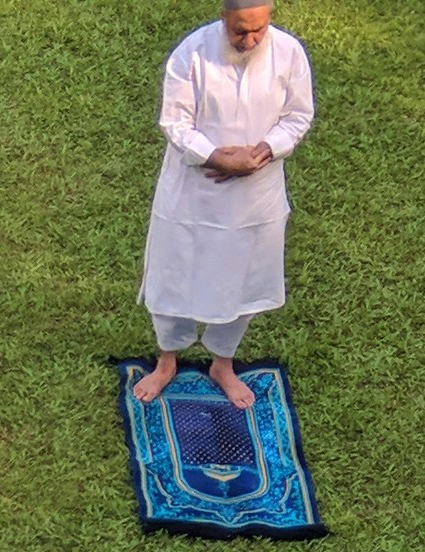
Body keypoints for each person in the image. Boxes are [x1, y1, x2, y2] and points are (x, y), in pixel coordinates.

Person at [133, 2, 315, 411]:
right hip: (192, 192)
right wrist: (216, 157)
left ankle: (223, 363)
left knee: (241, 279)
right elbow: (175, 123)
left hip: (256, 195)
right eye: (240, 32)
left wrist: (262, 152)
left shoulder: (288, 53)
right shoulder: (192, 53)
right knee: (176, 274)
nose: (250, 40)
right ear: (223, 17)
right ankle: (166, 361)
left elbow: (298, 117)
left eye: (258, 30)